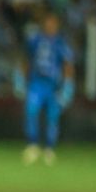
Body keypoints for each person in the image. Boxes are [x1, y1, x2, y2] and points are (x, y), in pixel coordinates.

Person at [14, 12, 75, 165]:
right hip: (36, 83)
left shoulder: (61, 43)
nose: (50, 26)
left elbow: (68, 65)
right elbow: (26, 59)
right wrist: (20, 79)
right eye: (48, 23)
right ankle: (32, 145)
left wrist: (68, 86)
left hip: (53, 86)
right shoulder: (34, 40)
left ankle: (49, 148)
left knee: (53, 116)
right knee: (31, 110)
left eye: (53, 23)